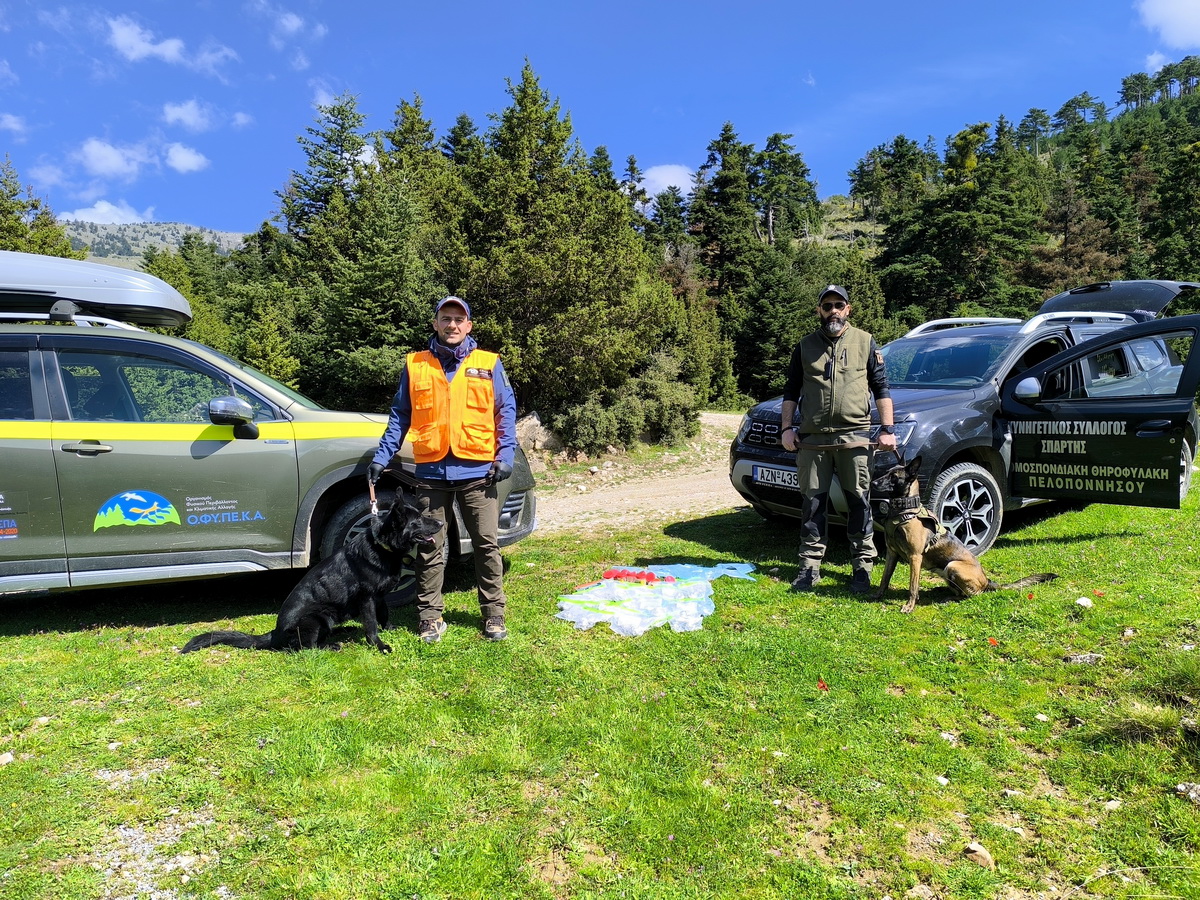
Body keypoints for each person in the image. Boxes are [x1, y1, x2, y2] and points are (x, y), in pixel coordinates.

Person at [368, 296, 518, 643]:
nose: (452, 325)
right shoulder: (415, 365)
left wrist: (505, 455)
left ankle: (494, 614)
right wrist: (382, 457)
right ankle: (429, 617)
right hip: (432, 474)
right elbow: (399, 416)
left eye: (458, 319)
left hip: (479, 473)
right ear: (435, 324)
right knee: (429, 547)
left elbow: (505, 412)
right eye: (445, 318)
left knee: (486, 544)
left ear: (468, 326)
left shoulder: (488, 363)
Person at [779, 285, 898, 594]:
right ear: (819, 310)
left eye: (838, 305)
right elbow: (791, 391)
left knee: (859, 502)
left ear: (848, 309)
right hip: (813, 440)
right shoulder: (805, 346)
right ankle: (809, 567)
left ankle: (862, 566)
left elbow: (881, 387)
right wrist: (787, 428)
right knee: (813, 504)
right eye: (827, 305)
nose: (833, 310)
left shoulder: (865, 342)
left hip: (855, 437)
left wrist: (887, 429)